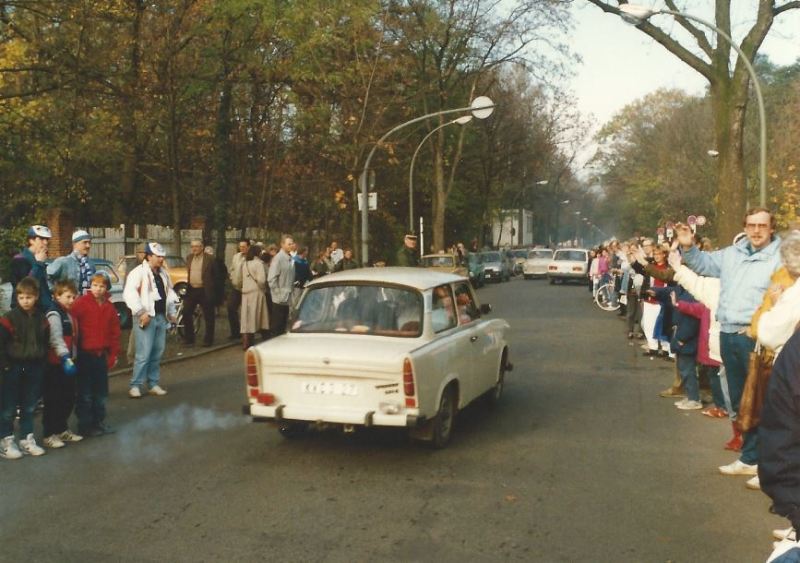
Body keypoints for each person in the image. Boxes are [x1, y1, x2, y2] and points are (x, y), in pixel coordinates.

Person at [677, 207, 782, 481]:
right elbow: (704, 265)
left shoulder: (780, 257)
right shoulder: (732, 254)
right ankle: (749, 457)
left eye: (762, 226)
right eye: (751, 225)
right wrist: (688, 247)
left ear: (772, 228)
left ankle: (767, 464)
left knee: (761, 403)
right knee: (739, 401)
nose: (756, 231)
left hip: (757, 338)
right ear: (745, 227)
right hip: (728, 334)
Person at [0, 277, 50, 459]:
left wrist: (42, 362)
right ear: (17, 298)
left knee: (29, 406)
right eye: (21, 297)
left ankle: (26, 440)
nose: (25, 301)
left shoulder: (42, 319)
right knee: (8, 407)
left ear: (36, 297)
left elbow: (45, 342)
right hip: (13, 367)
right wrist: (5, 365)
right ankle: (5, 440)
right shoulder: (8, 318)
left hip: (34, 367)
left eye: (29, 297)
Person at [123, 242, 178, 399]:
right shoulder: (137, 272)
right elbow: (129, 293)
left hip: (161, 317)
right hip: (146, 317)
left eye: (162, 256)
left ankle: (153, 383)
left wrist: (172, 313)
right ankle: (135, 385)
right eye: (158, 256)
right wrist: (141, 312)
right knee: (143, 353)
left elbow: (170, 294)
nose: (161, 259)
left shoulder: (163, 274)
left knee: (157, 352)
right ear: (149, 256)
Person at [71, 272, 120, 436]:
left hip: (101, 354)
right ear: (90, 287)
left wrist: (113, 354)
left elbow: (115, 332)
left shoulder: (109, 307)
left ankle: (98, 421)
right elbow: (73, 327)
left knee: (100, 392)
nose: (98, 289)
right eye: (95, 286)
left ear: (106, 288)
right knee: (85, 393)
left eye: (101, 286)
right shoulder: (81, 303)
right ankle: (85, 425)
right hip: (85, 354)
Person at [42, 280, 83, 449]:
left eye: (73, 297)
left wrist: (73, 358)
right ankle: (48, 434)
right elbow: (55, 339)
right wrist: (65, 357)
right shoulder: (54, 313)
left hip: (68, 362)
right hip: (55, 364)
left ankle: (61, 429)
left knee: (67, 397)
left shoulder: (69, 313)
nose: (71, 300)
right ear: (57, 296)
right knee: (53, 399)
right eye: (67, 297)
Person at [183, 239, 218, 347]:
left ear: (202, 247)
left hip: (205, 290)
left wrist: (214, 291)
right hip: (192, 289)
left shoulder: (210, 259)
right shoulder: (189, 258)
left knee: (209, 316)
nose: (194, 248)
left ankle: (208, 340)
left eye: (197, 246)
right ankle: (189, 339)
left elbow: (217, 276)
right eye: (192, 246)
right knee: (186, 312)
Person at [11, 225, 53, 311]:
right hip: (27, 311)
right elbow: (26, 286)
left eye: (47, 239)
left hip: (43, 309)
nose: (45, 242)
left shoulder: (41, 258)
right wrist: (38, 264)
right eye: (41, 239)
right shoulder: (20, 259)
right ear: (31, 240)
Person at [47, 229, 95, 295]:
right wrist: (57, 292)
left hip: (85, 303)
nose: (88, 246)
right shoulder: (63, 261)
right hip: (67, 303)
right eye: (85, 242)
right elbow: (46, 277)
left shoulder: (90, 264)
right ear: (74, 244)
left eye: (89, 243)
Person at [239, 246, 269, 349]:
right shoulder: (259, 264)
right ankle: (265, 338)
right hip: (256, 292)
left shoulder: (245, 264)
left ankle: (246, 341)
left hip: (245, 293)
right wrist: (263, 288)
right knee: (259, 317)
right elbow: (261, 280)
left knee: (246, 318)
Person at [268, 234, 295, 337]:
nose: (291, 246)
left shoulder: (290, 258)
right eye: (289, 244)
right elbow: (271, 279)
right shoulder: (278, 259)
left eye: (292, 244)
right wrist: (278, 295)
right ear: (282, 244)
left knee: (283, 327)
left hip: (287, 299)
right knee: (277, 327)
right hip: (279, 300)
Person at [227, 239, 250, 340]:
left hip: (248, 289)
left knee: (247, 312)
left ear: (248, 247)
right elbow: (232, 269)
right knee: (231, 307)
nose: (242, 249)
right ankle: (235, 332)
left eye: (244, 247)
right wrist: (232, 278)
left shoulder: (252, 258)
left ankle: (249, 334)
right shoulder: (236, 256)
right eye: (240, 247)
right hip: (236, 287)